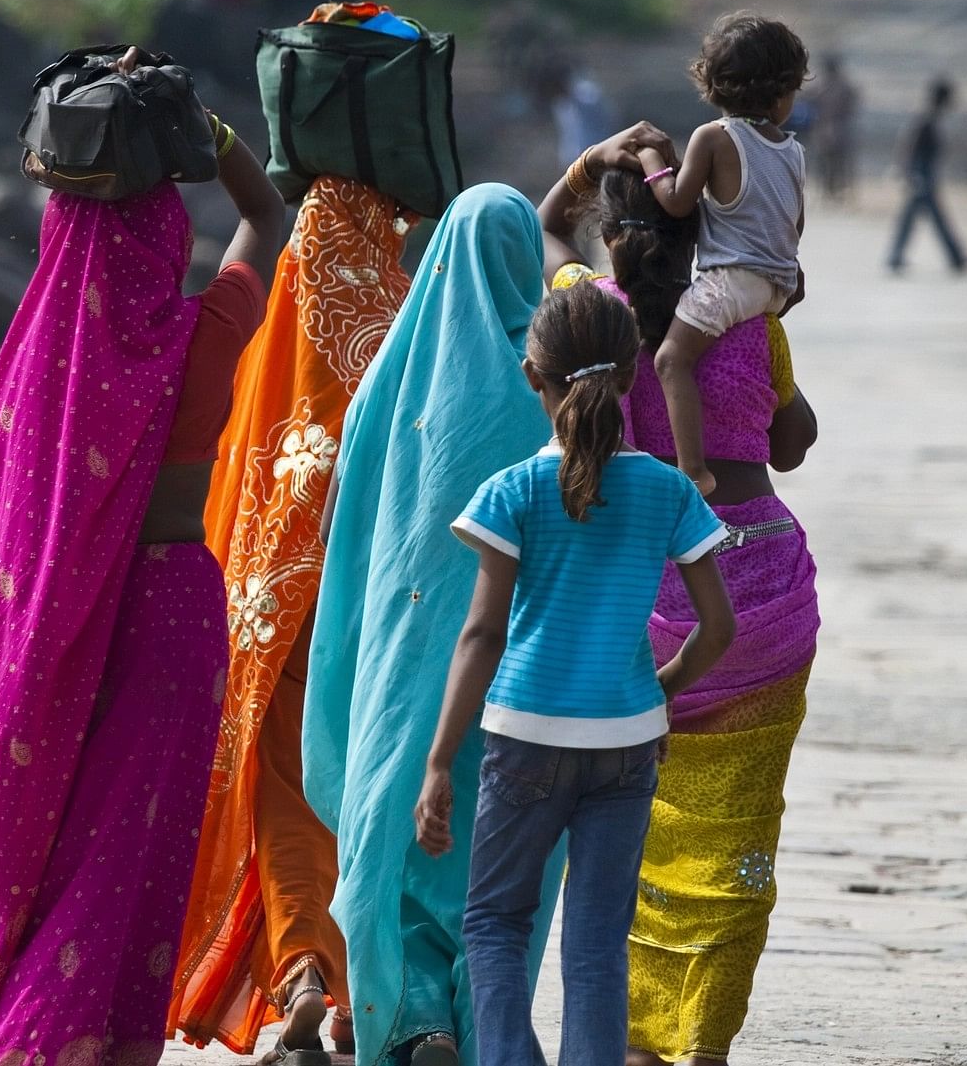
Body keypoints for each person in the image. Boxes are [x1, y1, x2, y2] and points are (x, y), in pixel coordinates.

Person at [0, 99, 286, 1066]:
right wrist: (209, 136)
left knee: (47, 861)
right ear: (169, 239)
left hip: (50, 632)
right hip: (171, 620)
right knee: (127, 870)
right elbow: (268, 215)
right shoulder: (204, 334)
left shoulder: (33, 371)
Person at [540, 144, 820, 1066]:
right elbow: (792, 445)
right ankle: (702, 1038)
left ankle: (635, 1035)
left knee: (631, 831)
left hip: (637, 601)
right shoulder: (741, 321)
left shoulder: (592, 317)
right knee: (741, 826)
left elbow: (545, 229)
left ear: (611, 237)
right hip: (762, 598)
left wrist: (589, 166)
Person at [414, 285, 738, 1066]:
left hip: (523, 734)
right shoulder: (667, 490)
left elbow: (483, 633)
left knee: (493, 923)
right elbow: (717, 628)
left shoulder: (514, 491)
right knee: (596, 942)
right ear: (633, 376)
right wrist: (656, 690)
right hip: (626, 744)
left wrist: (436, 760)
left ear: (534, 376)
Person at [302, 184, 554, 1066]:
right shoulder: (548, 382)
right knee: (495, 857)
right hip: (515, 669)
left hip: (406, 656)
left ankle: (412, 1014)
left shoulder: (392, 370)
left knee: (393, 818)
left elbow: (337, 522)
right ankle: (480, 1022)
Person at [171, 167, 417, 1063]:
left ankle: (304, 970)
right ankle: (361, 998)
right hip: (381, 611)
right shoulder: (410, 325)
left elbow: (238, 469)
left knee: (286, 795)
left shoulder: (270, 341)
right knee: (368, 799)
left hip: (279, 604)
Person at [636, 13, 808, 500]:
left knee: (671, 360)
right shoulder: (793, 150)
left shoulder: (714, 138)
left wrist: (651, 158)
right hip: (779, 283)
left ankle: (693, 473)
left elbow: (676, 202)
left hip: (731, 282)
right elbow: (794, 226)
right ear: (780, 92)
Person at [886, 77, 967, 275]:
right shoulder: (926, 119)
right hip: (920, 176)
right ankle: (956, 257)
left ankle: (955, 257)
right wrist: (908, 173)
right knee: (929, 219)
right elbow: (909, 146)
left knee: (919, 218)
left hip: (924, 175)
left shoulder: (931, 118)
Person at [808, 52, 858, 203]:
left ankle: (833, 192)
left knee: (832, 164)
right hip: (836, 130)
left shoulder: (824, 87)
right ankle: (833, 192)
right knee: (832, 164)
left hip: (828, 130)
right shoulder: (843, 86)